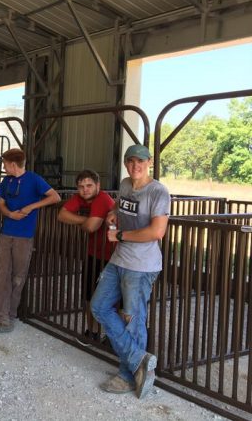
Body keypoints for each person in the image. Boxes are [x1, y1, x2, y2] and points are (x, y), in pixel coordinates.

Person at [90, 144, 170, 399]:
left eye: (141, 161)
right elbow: (120, 207)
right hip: (119, 259)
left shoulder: (158, 192)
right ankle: (139, 360)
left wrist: (122, 234)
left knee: (133, 318)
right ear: (125, 163)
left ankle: (127, 375)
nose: (136, 166)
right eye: (131, 161)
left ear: (149, 163)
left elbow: (157, 231)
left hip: (142, 265)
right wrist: (113, 214)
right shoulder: (125, 184)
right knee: (99, 306)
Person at [0, 148, 60, 333]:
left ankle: (10, 314)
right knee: (3, 273)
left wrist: (31, 206)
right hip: (7, 232)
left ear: (13, 164)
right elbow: (0, 203)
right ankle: (0, 317)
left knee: (18, 276)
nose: (4, 167)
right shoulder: (6, 181)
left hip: (24, 235)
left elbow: (55, 197)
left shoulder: (34, 179)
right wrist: (9, 214)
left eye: (5, 164)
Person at [57, 169, 115, 345]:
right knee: (89, 295)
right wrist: (86, 219)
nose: (85, 189)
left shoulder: (102, 199)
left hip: (112, 256)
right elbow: (61, 215)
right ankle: (93, 333)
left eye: (89, 185)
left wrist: (88, 222)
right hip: (93, 253)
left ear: (98, 185)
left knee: (115, 299)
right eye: (81, 186)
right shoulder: (80, 199)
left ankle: (115, 339)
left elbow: (91, 228)